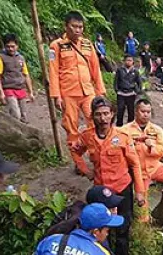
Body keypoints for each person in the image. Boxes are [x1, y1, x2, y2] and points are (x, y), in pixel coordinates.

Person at [73, 96, 146, 255]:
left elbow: (135, 164)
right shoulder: (87, 137)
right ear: (93, 116)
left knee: (123, 227)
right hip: (101, 191)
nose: (103, 118)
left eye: (106, 113)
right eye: (98, 114)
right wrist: (85, 170)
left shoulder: (122, 136)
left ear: (112, 114)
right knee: (101, 227)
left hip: (122, 188)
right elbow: (75, 150)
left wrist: (140, 192)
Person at [49, 11, 106, 158]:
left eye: (81, 27)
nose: (78, 30)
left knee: (96, 122)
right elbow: (53, 71)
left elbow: (95, 68)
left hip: (88, 92)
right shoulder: (55, 46)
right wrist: (56, 96)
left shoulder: (88, 44)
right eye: (74, 26)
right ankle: (78, 161)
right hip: (68, 93)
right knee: (71, 128)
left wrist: (100, 91)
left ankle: (96, 156)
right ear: (66, 26)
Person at [120, 98, 163, 219]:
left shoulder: (157, 130)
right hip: (138, 173)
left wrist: (150, 146)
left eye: (148, 111)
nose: (146, 114)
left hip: (155, 167)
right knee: (142, 208)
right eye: (143, 111)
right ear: (136, 111)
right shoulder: (125, 130)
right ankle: (144, 228)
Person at [0, 33, 35, 123]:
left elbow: (26, 75)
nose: (10, 49)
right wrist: (1, 93)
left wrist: (30, 92)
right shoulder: (0, 58)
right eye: (8, 47)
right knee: (16, 115)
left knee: (24, 116)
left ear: (17, 46)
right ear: (4, 46)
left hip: (21, 88)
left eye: (13, 46)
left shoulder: (21, 58)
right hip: (8, 89)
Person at [114, 55, 142, 127]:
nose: (128, 62)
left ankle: (130, 127)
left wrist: (137, 91)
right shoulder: (120, 70)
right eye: (127, 60)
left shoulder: (135, 71)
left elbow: (139, 82)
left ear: (133, 62)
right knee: (120, 110)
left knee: (131, 111)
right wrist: (116, 90)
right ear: (124, 61)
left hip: (131, 94)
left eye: (130, 60)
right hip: (121, 93)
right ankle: (119, 126)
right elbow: (116, 81)